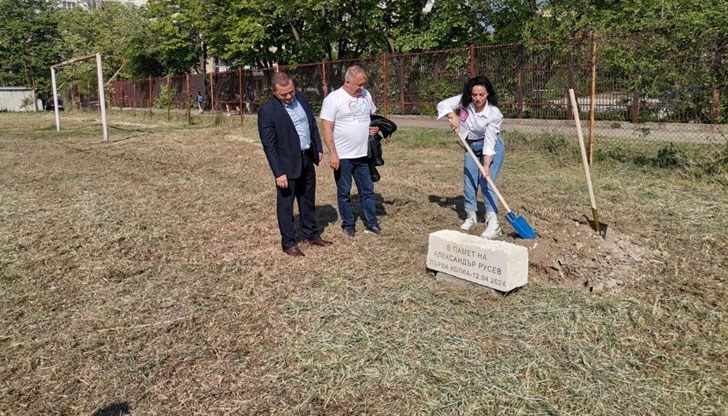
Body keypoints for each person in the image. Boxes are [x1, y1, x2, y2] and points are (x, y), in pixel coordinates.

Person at [258, 72, 332, 257]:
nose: (289, 96)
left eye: (291, 91)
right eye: (284, 94)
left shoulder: (301, 98)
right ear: (274, 91)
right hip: (286, 165)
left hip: (306, 157)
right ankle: (289, 242)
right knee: (286, 205)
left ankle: (311, 233)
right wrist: (278, 172)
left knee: (308, 199)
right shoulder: (267, 111)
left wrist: (317, 147)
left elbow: (311, 124)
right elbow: (270, 146)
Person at [436, 75, 505, 239]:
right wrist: (452, 116)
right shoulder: (465, 101)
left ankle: (493, 222)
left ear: (488, 93)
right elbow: (442, 104)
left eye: (481, 95)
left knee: (486, 181)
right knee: (469, 180)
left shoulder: (494, 113)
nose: (477, 98)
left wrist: (486, 165)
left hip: (492, 146)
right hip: (470, 145)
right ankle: (471, 216)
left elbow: (490, 141)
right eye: (474, 95)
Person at [320, 65, 381, 237]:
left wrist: (372, 128)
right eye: (358, 85)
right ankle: (348, 224)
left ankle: (371, 223)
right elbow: (326, 127)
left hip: (363, 154)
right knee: (344, 192)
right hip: (343, 157)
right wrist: (333, 153)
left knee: (367, 190)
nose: (362, 88)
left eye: (363, 84)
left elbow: (371, 118)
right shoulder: (333, 99)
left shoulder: (366, 95)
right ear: (347, 82)